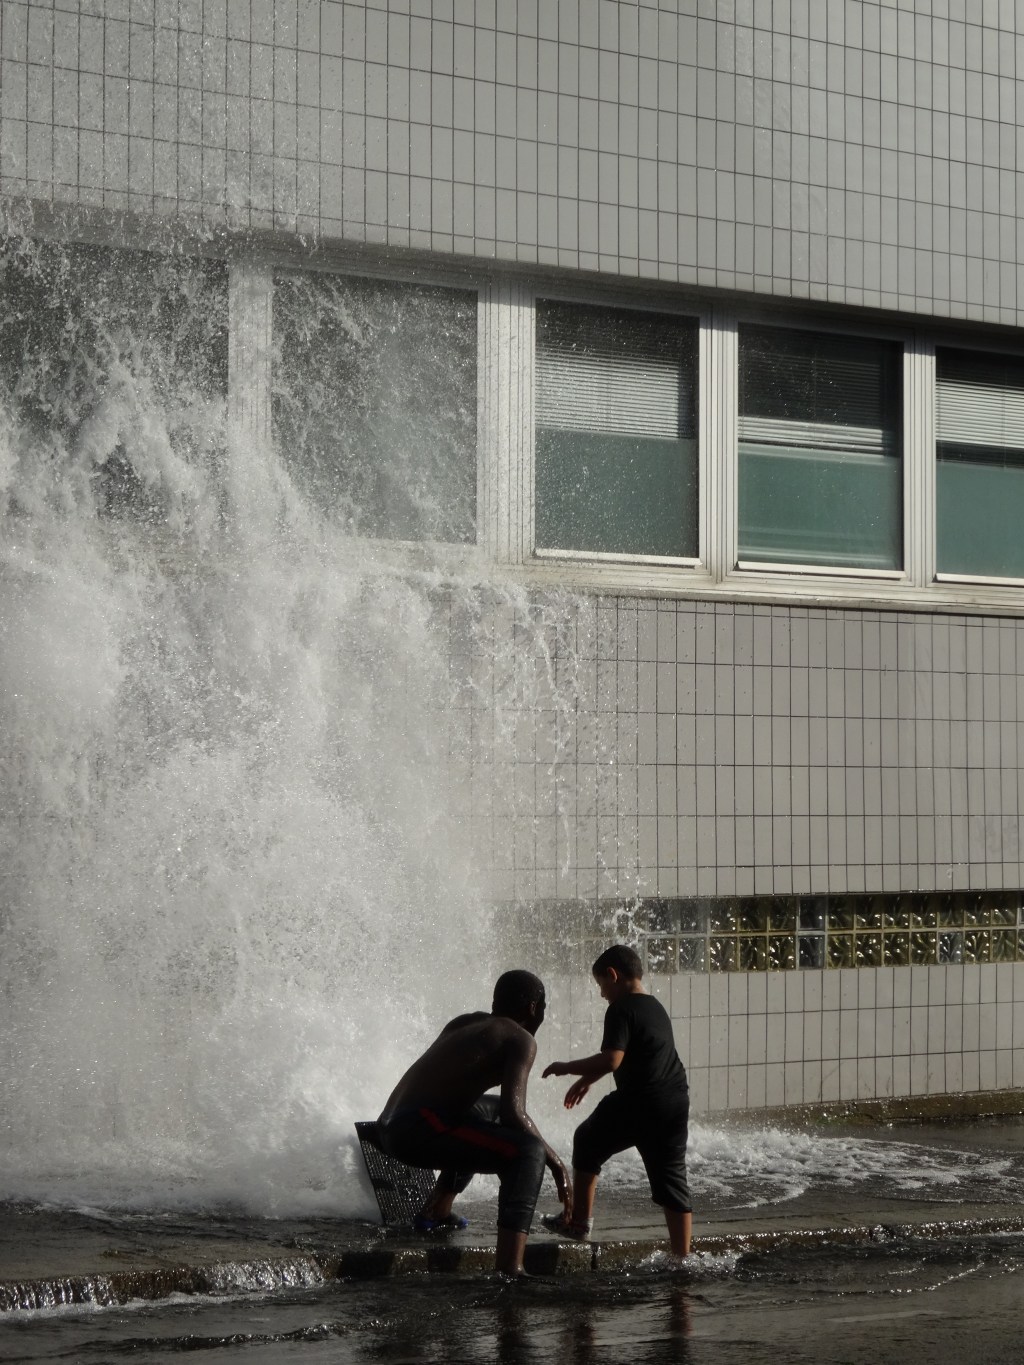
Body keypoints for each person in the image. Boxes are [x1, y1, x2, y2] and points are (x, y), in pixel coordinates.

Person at [376, 969, 571, 1276]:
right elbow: (514, 1115)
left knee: (486, 1113)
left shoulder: (465, 1022)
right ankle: (510, 1270)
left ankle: (437, 1209)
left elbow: (494, 1109)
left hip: (389, 1124)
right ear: (532, 1007)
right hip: (415, 1130)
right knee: (528, 1152)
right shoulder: (520, 1039)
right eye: (543, 1008)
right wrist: (556, 1163)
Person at [541, 944, 692, 1256]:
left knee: (587, 1139)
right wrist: (588, 1079)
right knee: (672, 1179)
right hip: (674, 1100)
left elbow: (612, 1059)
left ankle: (579, 1222)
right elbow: (634, 1056)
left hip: (640, 1101)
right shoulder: (654, 1006)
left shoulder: (621, 1008)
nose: (602, 994)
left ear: (613, 975)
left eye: (601, 985)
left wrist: (567, 1069)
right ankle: (682, 1257)